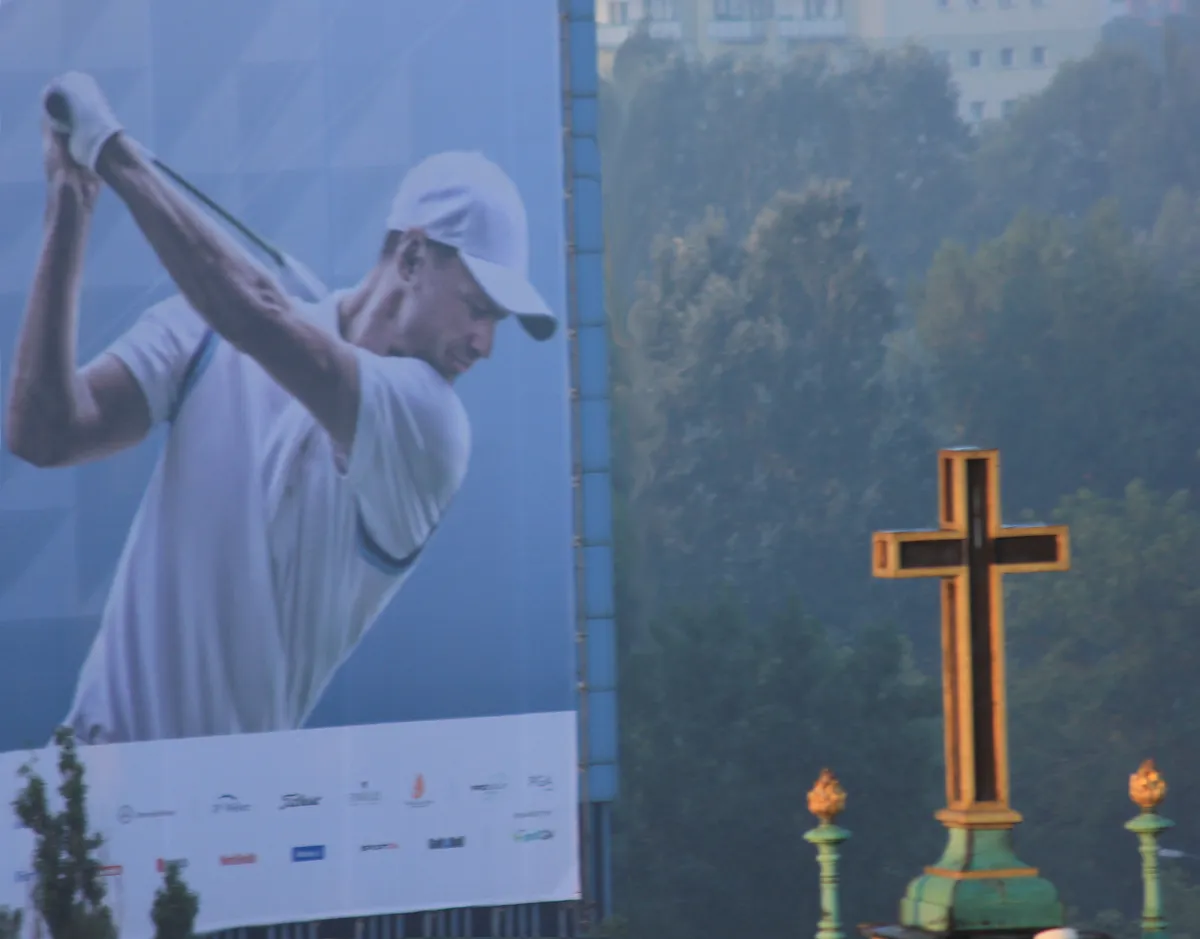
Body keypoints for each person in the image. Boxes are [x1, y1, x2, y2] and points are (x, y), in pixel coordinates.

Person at [6, 72, 558, 745]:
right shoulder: (205, 326)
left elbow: (255, 318)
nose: (486, 343)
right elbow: (45, 432)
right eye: (478, 309)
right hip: (82, 776)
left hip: (226, 809)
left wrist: (108, 148)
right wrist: (73, 198)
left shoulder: (433, 428)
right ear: (412, 255)